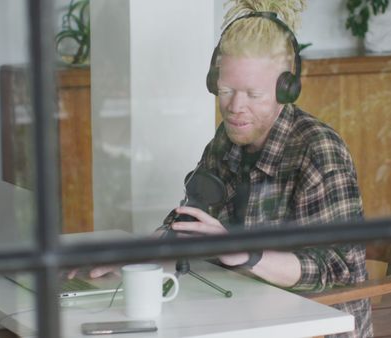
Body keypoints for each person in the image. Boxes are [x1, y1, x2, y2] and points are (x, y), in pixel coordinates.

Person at [76, 1, 372, 336]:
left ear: (285, 89)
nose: (234, 107)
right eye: (227, 90)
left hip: (316, 326)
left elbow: (338, 270)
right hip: (246, 311)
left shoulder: (318, 151)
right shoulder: (227, 139)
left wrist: (246, 253)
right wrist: (132, 257)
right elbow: (191, 221)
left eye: (252, 94)